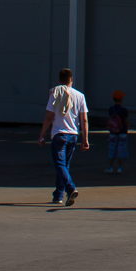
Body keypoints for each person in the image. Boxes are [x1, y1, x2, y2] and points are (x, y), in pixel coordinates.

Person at [37, 67, 89, 207]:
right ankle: (58, 195)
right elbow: (84, 119)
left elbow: (49, 117)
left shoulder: (55, 94)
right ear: (71, 79)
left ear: (60, 80)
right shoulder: (80, 96)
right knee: (64, 165)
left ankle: (70, 188)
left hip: (59, 134)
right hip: (73, 135)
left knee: (60, 164)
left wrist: (42, 135)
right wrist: (85, 139)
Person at [105, 91, 130, 175]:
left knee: (112, 149)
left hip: (113, 132)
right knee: (121, 150)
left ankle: (110, 167)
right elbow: (126, 121)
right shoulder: (124, 110)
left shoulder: (111, 109)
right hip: (122, 132)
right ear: (121, 99)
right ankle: (120, 167)